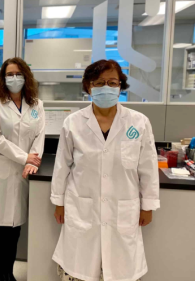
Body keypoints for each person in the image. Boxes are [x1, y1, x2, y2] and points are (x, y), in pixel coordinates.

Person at [51, 59, 160, 281]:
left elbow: (148, 169)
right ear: (88, 86)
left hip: (124, 207)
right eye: (99, 82)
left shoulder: (138, 123)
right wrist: (59, 202)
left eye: (112, 82)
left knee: (121, 270)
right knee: (80, 267)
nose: (106, 88)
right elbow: (62, 165)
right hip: (82, 206)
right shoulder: (73, 122)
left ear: (121, 86)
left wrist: (147, 206)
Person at [0, 57, 45, 281]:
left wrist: (32, 161)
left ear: (26, 76)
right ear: (3, 79)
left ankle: (8, 273)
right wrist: (25, 157)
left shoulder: (36, 104)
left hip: (23, 173)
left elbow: (39, 135)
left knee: (14, 229)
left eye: (18, 73)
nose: (14, 78)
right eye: (9, 74)